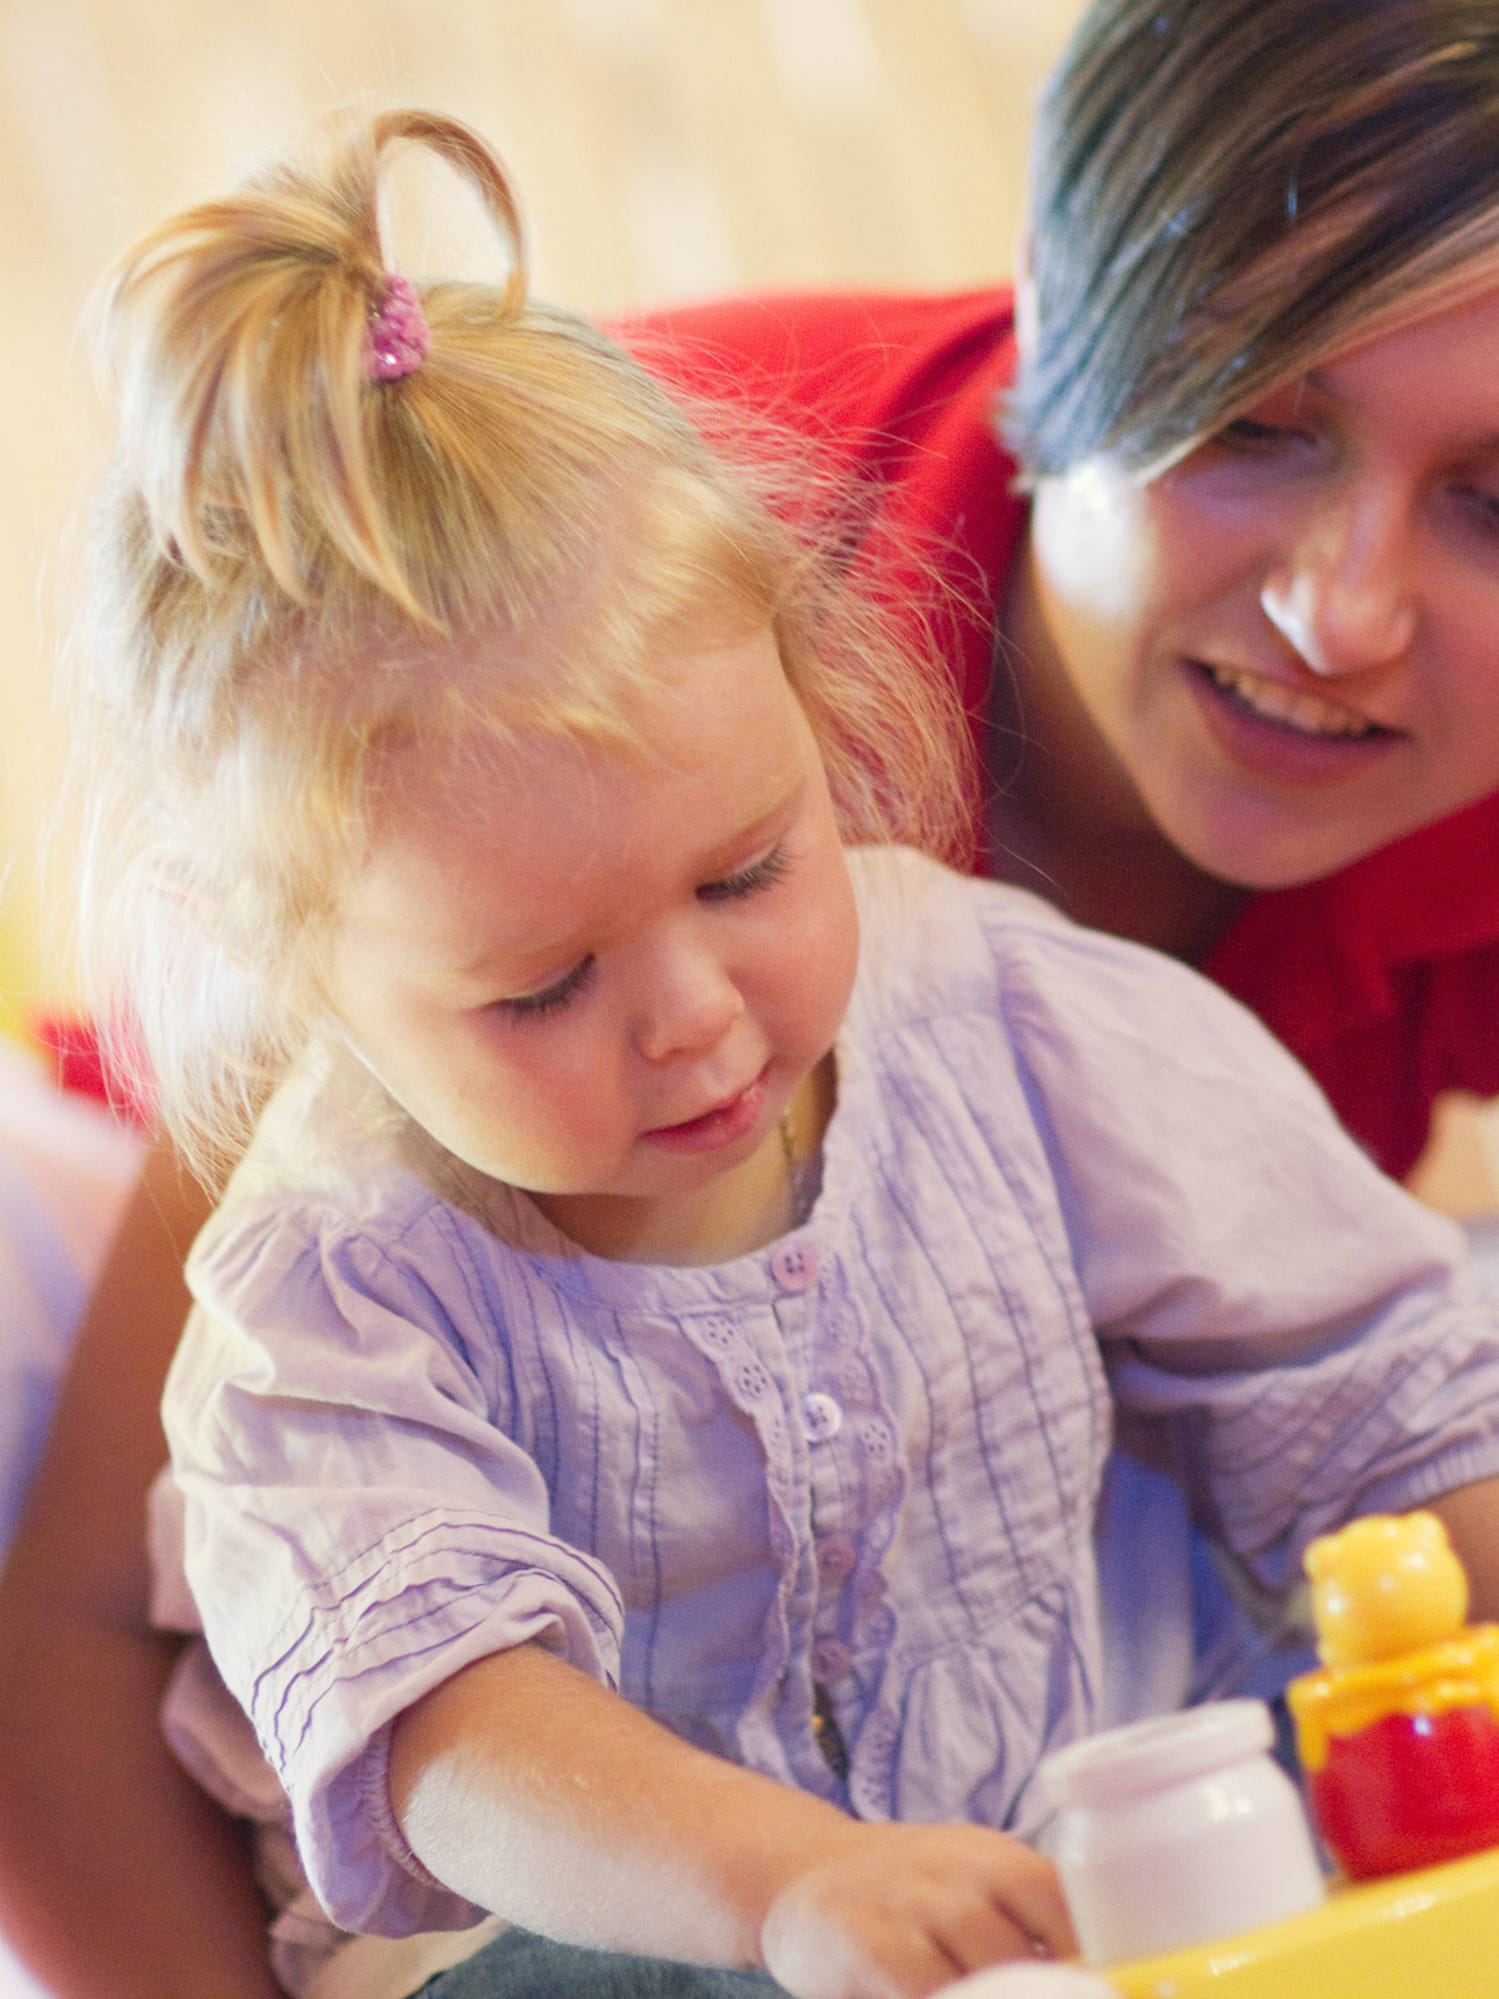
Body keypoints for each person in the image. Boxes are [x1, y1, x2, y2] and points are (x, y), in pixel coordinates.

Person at [7, 0, 1499, 1992]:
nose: (696, 1016)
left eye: (745, 877)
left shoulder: (994, 996)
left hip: (1031, 1797)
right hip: (600, 1910)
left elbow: (1385, 1391)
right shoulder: (339, 1234)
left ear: (830, 725)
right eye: (545, 985)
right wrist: (780, 1884)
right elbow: (419, 1706)